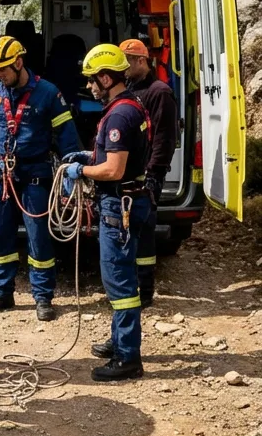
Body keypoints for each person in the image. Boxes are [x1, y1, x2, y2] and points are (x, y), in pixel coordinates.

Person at [0, 35, 81, 321]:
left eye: (4, 69)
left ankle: (43, 297)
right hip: (1, 177)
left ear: (19, 63)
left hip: (35, 176)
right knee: (1, 237)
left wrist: (72, 175)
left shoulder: (48, 93)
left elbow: (68, 137)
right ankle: (2, 292)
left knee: (39, 239)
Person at [61, 44, 151, 381]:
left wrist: (80, 172)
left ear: (104, 77)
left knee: (119, 283)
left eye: (91, 81)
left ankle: (128, 358)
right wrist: (89, 155)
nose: (88, 87)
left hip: (119, 204)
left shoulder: (118, 115)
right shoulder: (130, 106)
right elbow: (119, 154)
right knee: (122, 276)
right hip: (131, 200)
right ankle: (119, 342)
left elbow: (113, 170)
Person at [119, 38, 178, 307]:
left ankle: (145, 290)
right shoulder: (129, 89)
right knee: (127, 230)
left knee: (144, 232)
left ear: (141, 61)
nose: (123, 69)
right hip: (128, 171)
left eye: (126, 63)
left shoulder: (159, 92)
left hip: (148, 174)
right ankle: (131, 285)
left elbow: (164, 138)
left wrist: (153, 173)